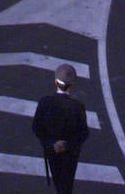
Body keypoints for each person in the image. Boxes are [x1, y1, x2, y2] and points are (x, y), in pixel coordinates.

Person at [31, 63, 89, 194]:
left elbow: (37, 127)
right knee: (67, 183)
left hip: (52, 150)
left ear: (55, 82)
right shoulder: (77, 106)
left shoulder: (45, 102)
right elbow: (83, 133)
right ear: (72, 85)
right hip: (70, 153)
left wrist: (51, 143)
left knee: (57, 179)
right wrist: (67, 145)